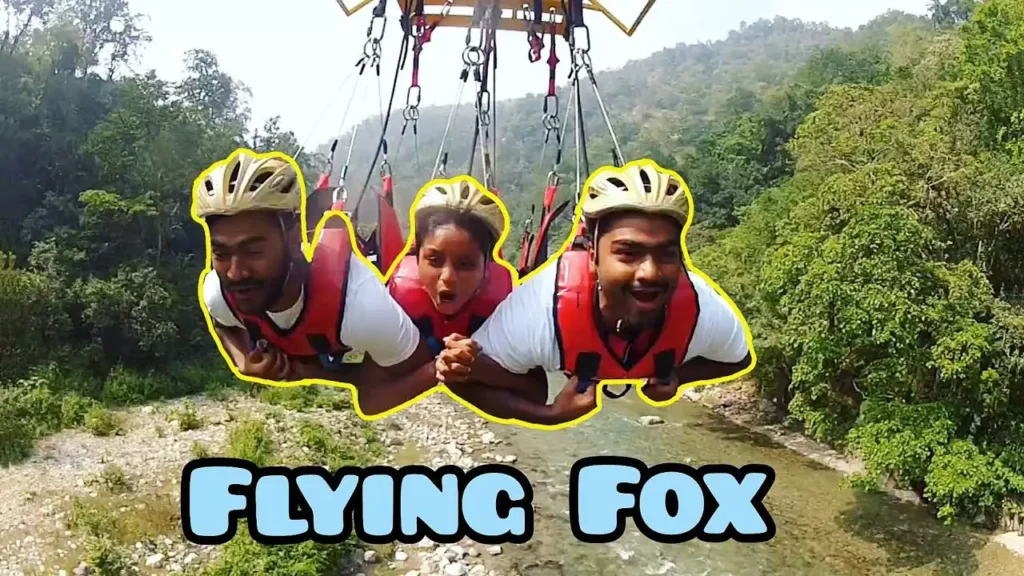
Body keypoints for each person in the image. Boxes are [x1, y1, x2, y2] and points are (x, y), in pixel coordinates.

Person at [441, 159, 754, 426]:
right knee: (529, 387)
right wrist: (547, 414)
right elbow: (459, 378)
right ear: (592, 253)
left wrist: (679, 376)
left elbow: (738, 359)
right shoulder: (540, 309)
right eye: (627, 253)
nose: (650, 272)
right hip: (554, 334)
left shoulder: (701, 310)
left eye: (666, 254)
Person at [193, 148, 437, 416]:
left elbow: (411, 368)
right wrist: (241, 360)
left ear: (294, 237)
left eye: (254, 251)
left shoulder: (361, 305)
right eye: (221, 253)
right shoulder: (219, 292)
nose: (235, 273)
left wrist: (314, 372)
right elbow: (223, 324)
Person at [388, 177, 594, 423]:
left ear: (487, 268)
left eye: (466, 265)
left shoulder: (504, 308)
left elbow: (535, 392)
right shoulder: (396, 301)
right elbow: (372, 397)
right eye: (434, 260)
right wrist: (437, 369)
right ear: (416, 258)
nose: (448, 278)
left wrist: (479, 368)